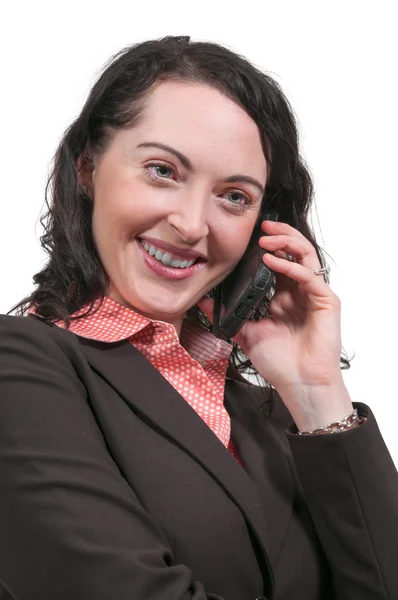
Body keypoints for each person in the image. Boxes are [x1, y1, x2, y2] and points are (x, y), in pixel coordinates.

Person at [0, 35, 397, 600]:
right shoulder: (21, 371)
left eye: (234, 197)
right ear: (88, 168)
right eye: (162, 170)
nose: (192, 224)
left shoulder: (261, 409)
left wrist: (316, 390)